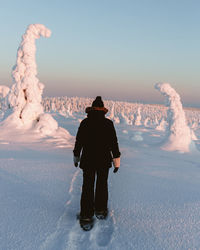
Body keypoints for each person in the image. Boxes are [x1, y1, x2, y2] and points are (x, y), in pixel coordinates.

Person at [73, 96, 121, 223]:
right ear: (103, 110)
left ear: (92, 109)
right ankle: (100, 210)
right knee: (102, 185)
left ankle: (86, 215)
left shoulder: (85, 123)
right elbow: (114, 144)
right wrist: (117, 161)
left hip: (88, 161)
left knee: (87, 186)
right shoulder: (108, 124)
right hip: (104, 161)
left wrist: (76, 157)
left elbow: (79, 142)